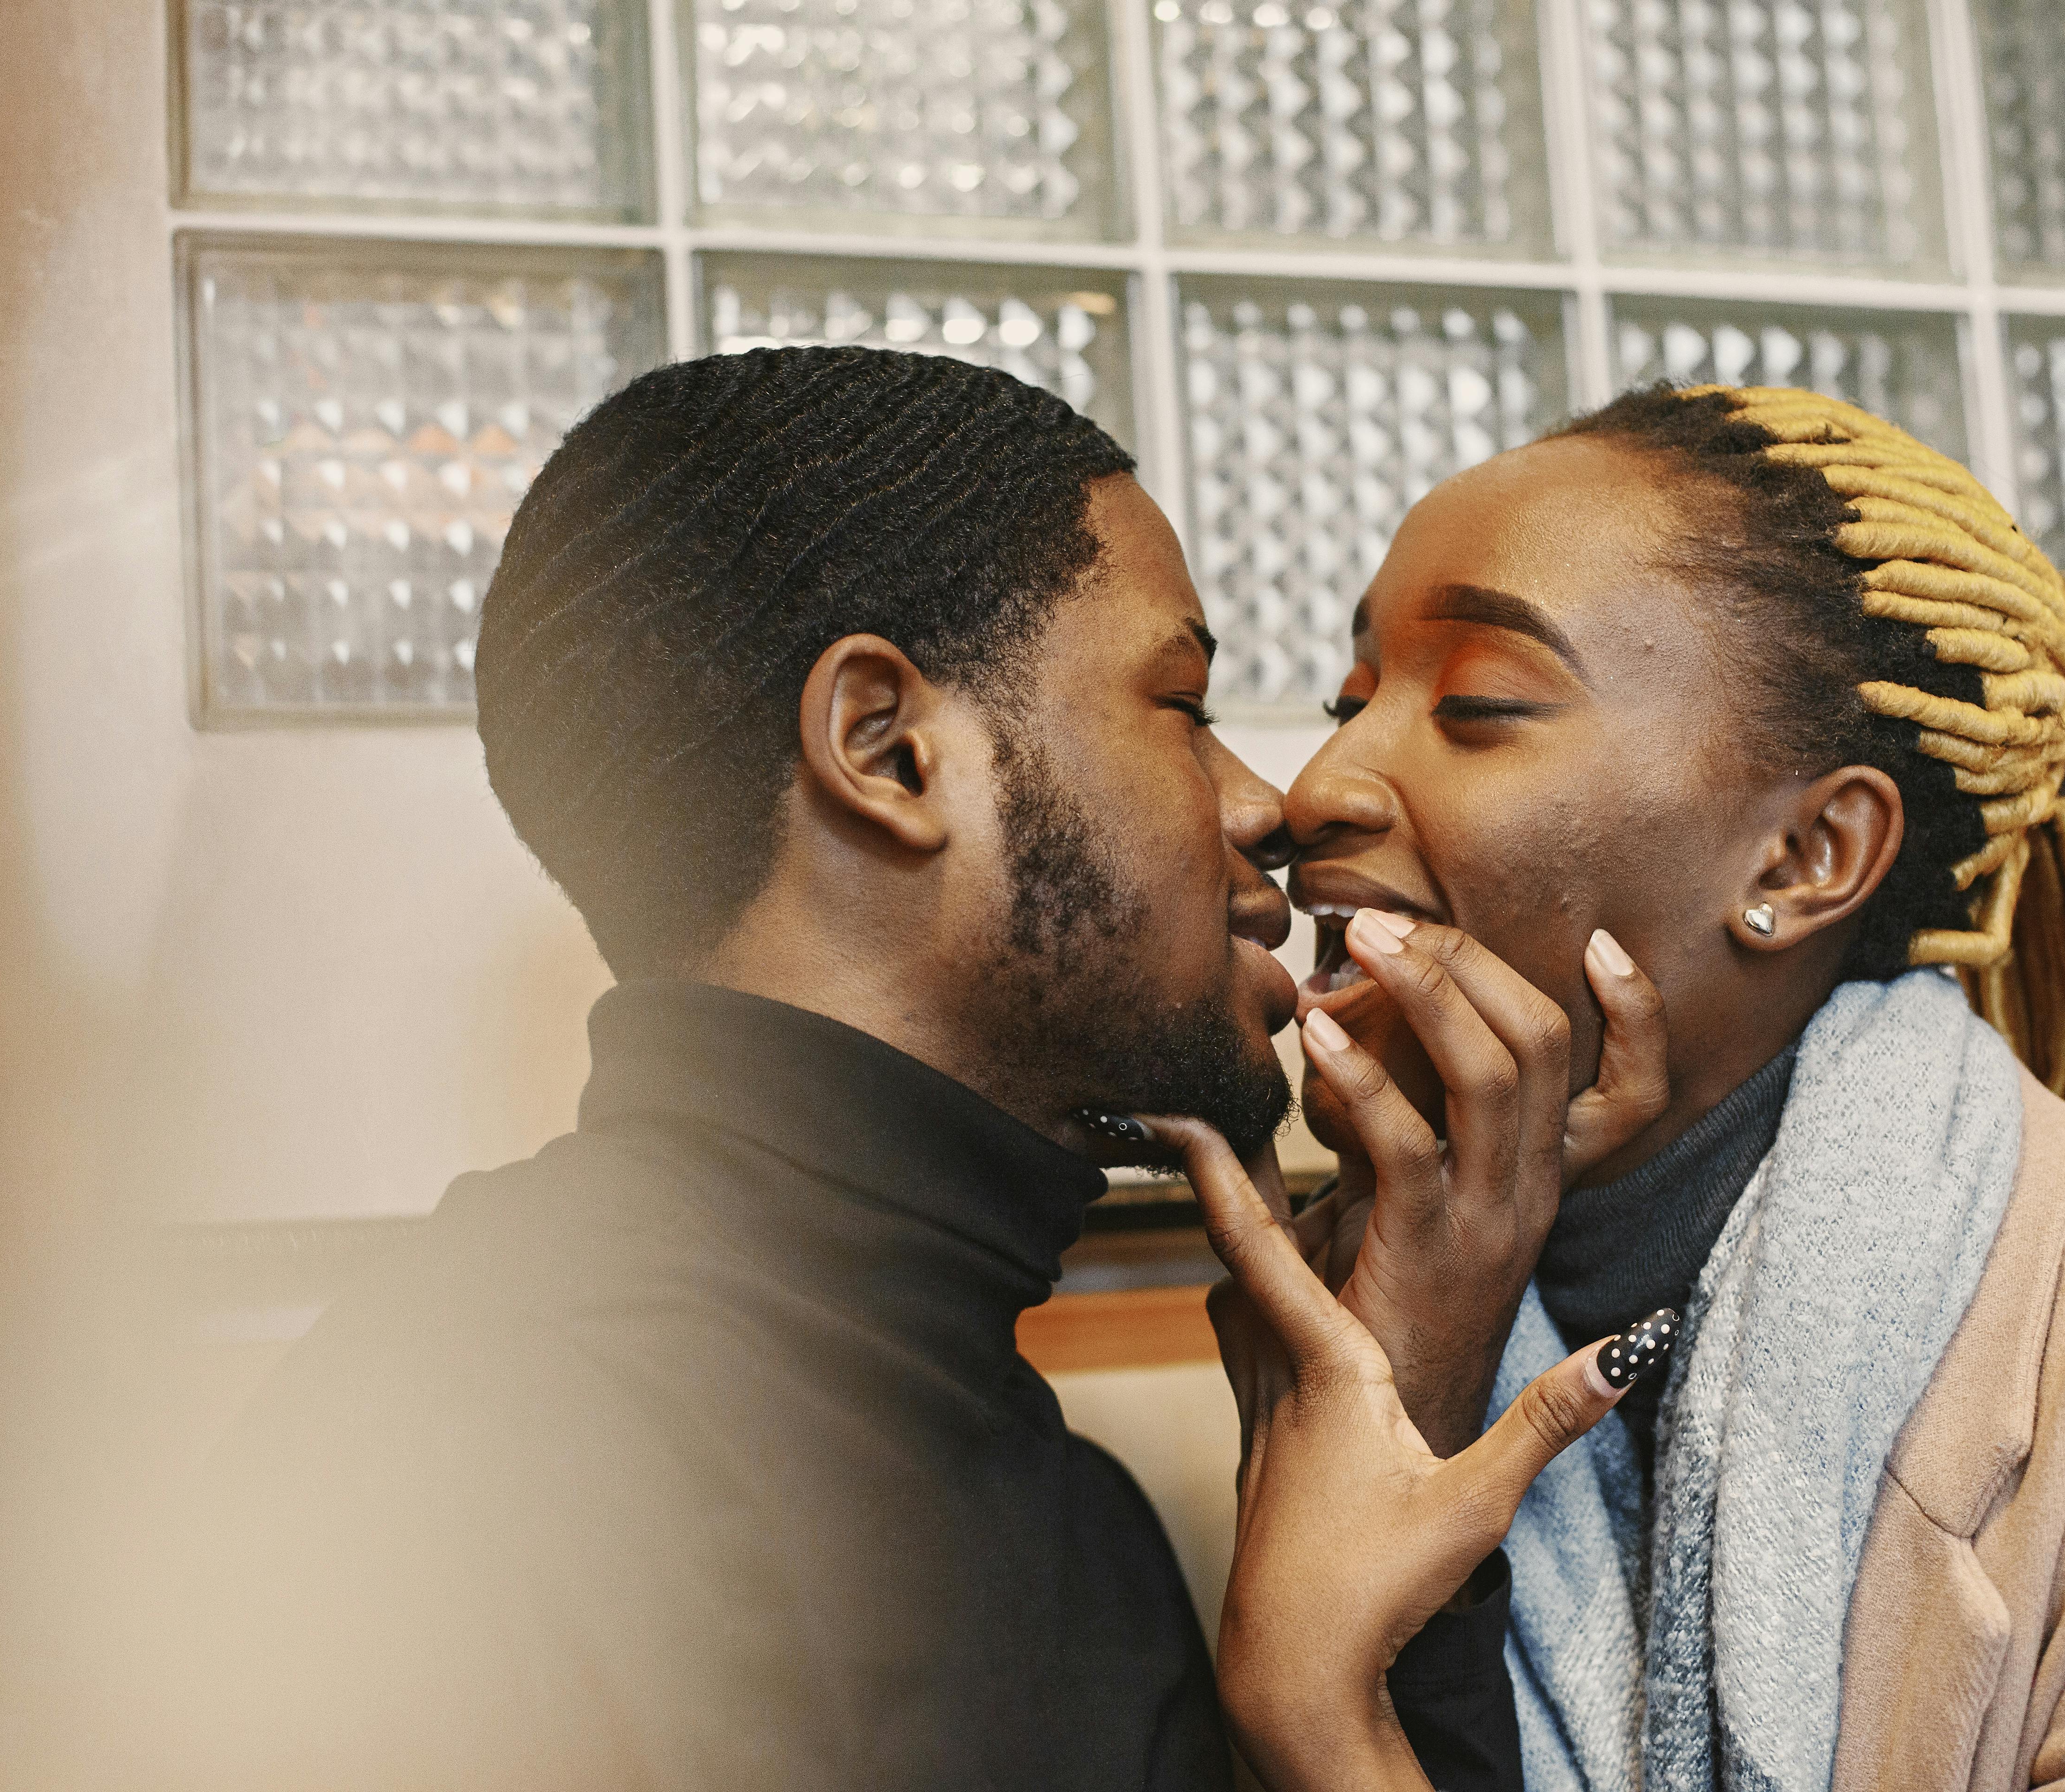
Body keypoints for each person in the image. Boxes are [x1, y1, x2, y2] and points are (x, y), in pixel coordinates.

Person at [162, 346, 1661, 1791]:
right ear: (886, 751)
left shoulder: (1056, 1502)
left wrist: (1397, 1422)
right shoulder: (459, 1465)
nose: (1270, 804)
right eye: (1182, 708)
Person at [1143, 386, 2065, 1790]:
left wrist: (1313, 1714)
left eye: (1480, 703)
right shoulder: (1374, 1320)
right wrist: (1417, 1383)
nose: (1317, 784)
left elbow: (1333, 1721)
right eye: (1351, 698)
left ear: (1805, 858)